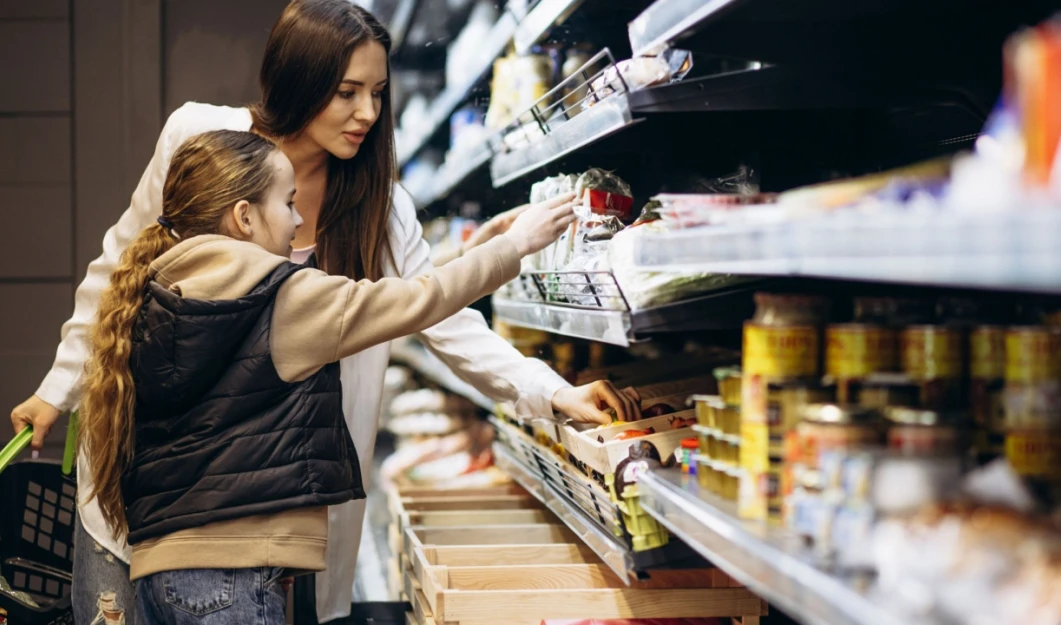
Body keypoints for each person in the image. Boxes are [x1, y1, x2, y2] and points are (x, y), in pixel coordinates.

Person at [7, 1, 640, 623]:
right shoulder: (198, 141)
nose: (367, 112)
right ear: (300, 80)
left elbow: (445, 321)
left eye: (378, 93)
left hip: (273, 516)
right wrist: (57, 388)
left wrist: (554, 392)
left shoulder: (378, 208)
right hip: (142, 489)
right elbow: (118, 269)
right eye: (346, 91)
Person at [80, 128, 571, 624]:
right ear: (244, 216)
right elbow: (414, 302)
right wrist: (515, 245)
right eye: (287, 202)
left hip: (159, 576)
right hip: (232, 583)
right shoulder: (282, 299)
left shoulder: (152, 295)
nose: (297, 220)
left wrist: (464, 256)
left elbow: (372, 305)